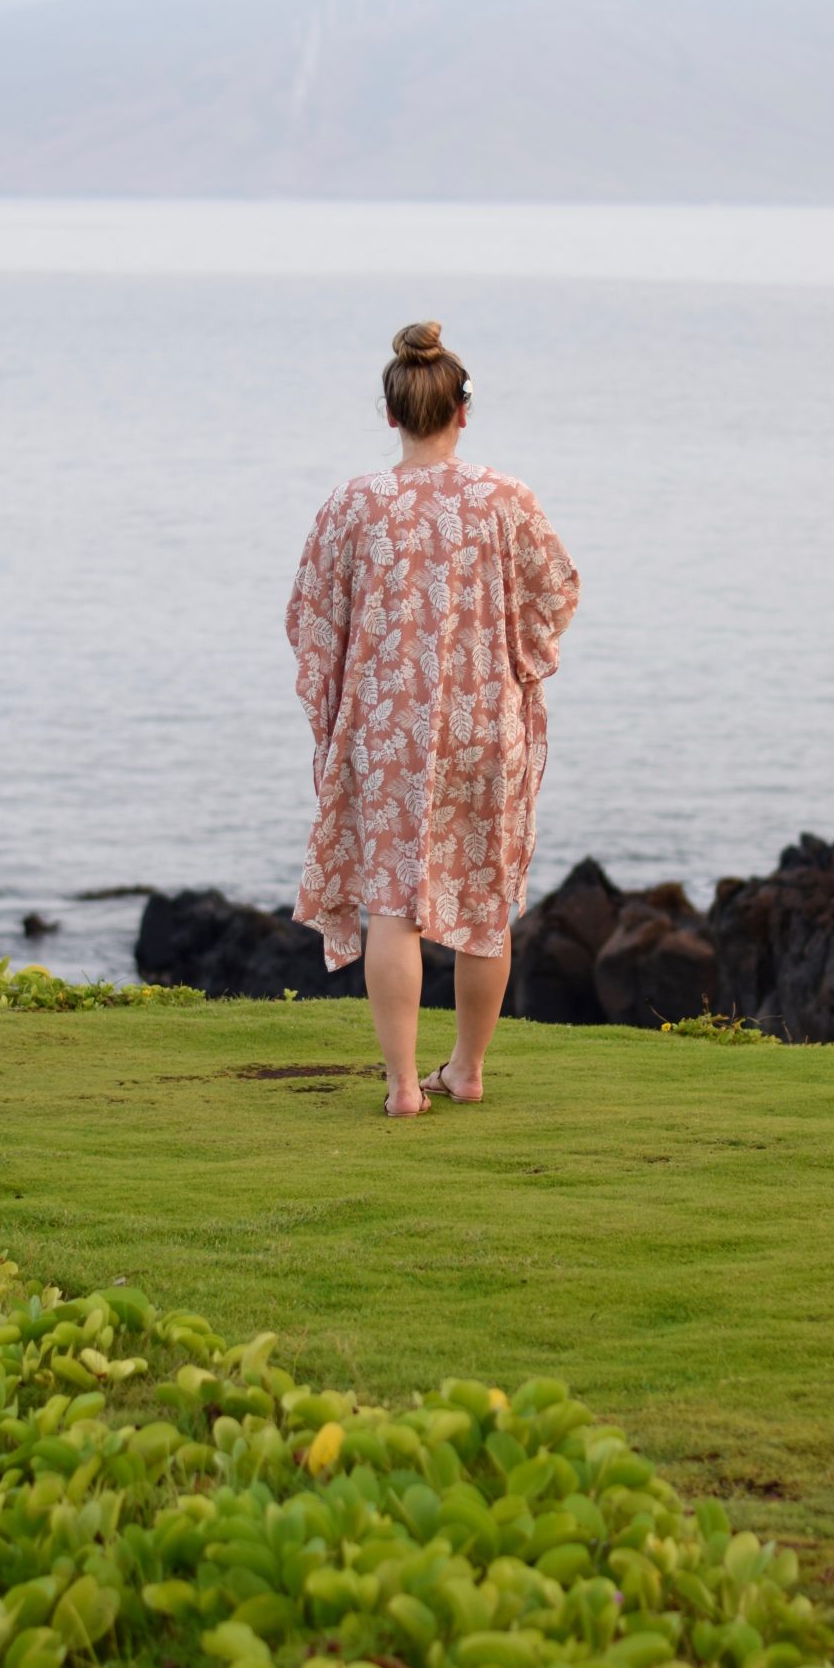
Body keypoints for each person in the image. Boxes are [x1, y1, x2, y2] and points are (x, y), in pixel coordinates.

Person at [286, 323, 580, 1116]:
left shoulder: (354, 505)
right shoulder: (505, 499)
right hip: (486, 727)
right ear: (461, 412)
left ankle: (404, 1086)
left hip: (388, 734)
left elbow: (312, 620)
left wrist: (342, 700)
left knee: (392, 904)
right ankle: (469, 1070)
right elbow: (557, 592)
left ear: (391, 415)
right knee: (484, 900)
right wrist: (511, 656)